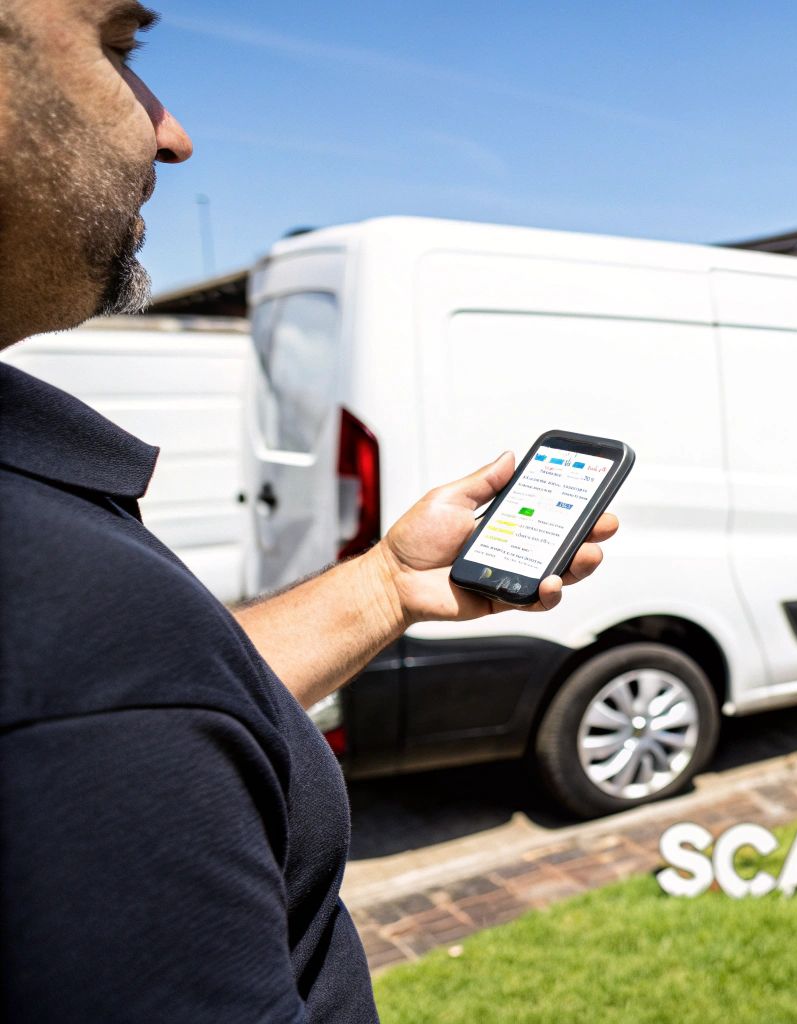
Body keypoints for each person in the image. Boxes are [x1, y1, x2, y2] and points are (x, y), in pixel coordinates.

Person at [0, 2, 619, 1019]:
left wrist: (385, 584)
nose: (173, 130)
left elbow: (185, 696)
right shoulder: (59, 622)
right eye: (117, 47)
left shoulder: (88, 643)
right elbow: (121, 694)